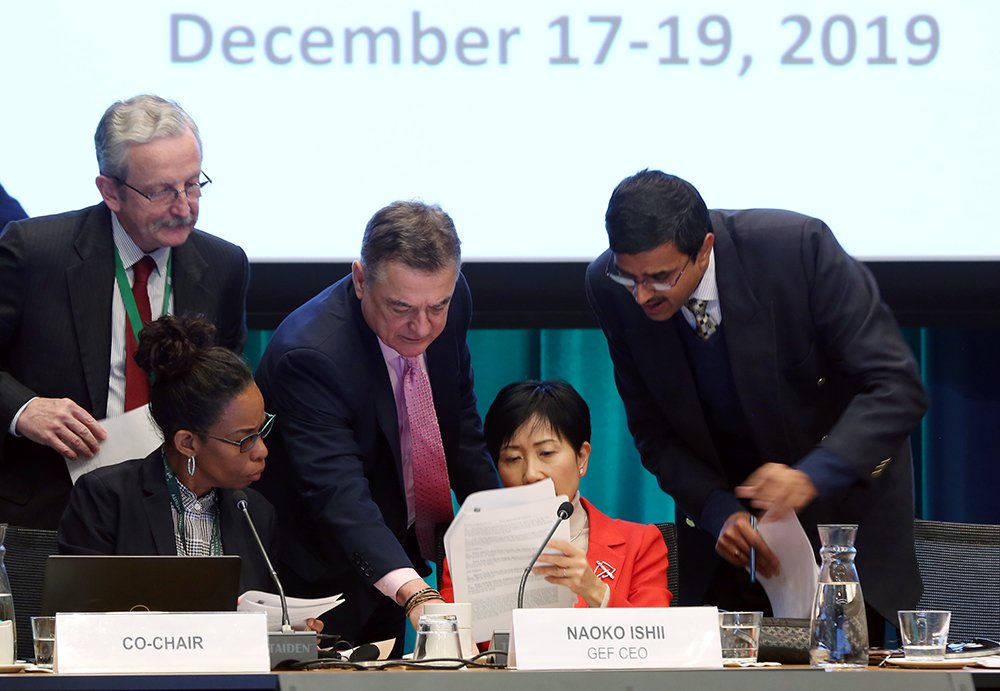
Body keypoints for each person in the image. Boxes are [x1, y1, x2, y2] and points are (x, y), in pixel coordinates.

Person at [585, 170, 927, 640]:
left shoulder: (797, 250)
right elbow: (653, 432)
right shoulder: (609, 289)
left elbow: (897, 386)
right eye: (630, 277)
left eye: (660, 278)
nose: (642, 294)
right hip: (733, 542)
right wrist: (716, 509)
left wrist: (811, 475)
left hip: (842, 527)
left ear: (704, 248)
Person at [254, 200, 499, 652]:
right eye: (401, 307)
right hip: (316, 577)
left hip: (396, 552)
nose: (422, 327)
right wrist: (416, 592)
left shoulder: (454, 298)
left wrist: (502, 531)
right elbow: (337, 491)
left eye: (437, 306)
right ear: (361, 279)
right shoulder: (310, 355)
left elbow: (458, 429)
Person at [0, 95, 249, 529]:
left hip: (179, 516)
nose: (184, 206)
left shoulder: (224, 265)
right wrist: (24, 409)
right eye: (161, 191)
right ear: (110, 191)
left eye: (193, 184)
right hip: (50, 512)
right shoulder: (35, 251)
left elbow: (222, 388)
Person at [58, 316, 274, 592]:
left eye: (261, 430)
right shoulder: (106, 499)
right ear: (188, 443)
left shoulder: (255, 513)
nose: (261, 451)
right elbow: (80, 610)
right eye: (244, 439)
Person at [440, 380, 672, 615]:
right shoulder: (471, 546)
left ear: (581, 457)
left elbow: (657, 637)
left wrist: (595, 591)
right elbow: (450, 638)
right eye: (513, 458)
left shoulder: (641, 543)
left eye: (546, 453)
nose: (531, 474)